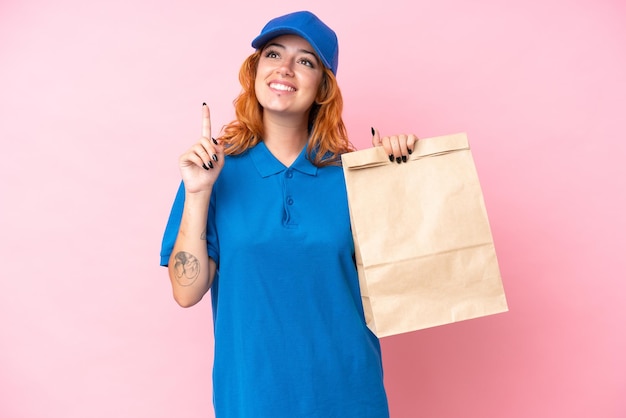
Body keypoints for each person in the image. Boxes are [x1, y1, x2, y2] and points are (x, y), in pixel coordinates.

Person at [160, 10, 418, 418]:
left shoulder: (353, 176)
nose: (285, 69)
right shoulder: (212, 170)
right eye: (273, 54)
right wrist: (197, 192)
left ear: (322, 88)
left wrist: (401, 178)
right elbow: (185, 292)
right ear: (255, 70)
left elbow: (405, 283)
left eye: (305, 61)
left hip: (350, 398)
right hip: (253, 401)